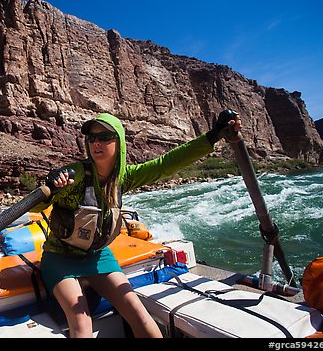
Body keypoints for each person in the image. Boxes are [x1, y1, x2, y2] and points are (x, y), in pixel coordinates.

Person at [31, 110, 242, 338]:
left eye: (104, 137)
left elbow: (166, 164)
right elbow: (34, 207)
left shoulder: (123, 178)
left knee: (138, 314)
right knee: (81, 321)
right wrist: (51, 188)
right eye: (92, 138)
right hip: (60, 257)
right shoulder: (77, 174)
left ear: (119, 142)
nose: (96, 143)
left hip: (97, 255)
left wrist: (213, 136)